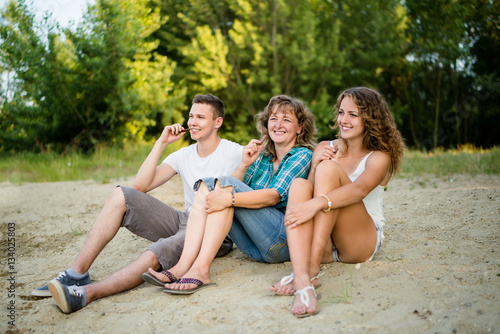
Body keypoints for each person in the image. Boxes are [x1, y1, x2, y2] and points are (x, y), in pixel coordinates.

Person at [34, 94, 244, 313]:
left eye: (200, 117)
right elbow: (141, 186)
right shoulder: (183, 154)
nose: (192, 122)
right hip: (185, 220)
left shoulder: (235, 152)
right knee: (121, 195)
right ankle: (77, 274)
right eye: (191, 116)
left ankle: (87, 294)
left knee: (158, 250)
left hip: (215, 233)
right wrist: (161, 143)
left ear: (217, 122)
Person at [144, 95, 316, 294]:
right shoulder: (263, 157)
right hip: (253, 247)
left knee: (222, 189)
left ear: (300, 127)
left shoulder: (302, 155)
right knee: (214, 187)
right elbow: (231, 186)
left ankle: (200, 270)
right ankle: (183, 266)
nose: (278, 125)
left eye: (286, 120)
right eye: (273, 119)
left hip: (281, 242)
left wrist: (230, 199)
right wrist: (244, 164)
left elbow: (273, 196)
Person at [270, 87, 405, 317]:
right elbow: (309, 191)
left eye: (353, 114)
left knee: (329, 170)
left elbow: (359, 190)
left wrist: (317, 203)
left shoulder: (379, 157)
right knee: (299, 185)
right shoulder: (325, 147)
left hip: (360, 241)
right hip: (327, 244)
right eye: (341, 112)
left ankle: (309, 269)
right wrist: (314, 166)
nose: (344, 120)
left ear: (370, 118)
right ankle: (305, 275)